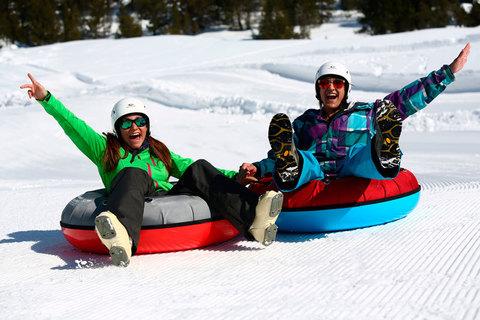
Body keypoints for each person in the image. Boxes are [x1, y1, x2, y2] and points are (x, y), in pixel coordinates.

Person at [20, 74, 284, 267]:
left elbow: (192, 169)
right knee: (134, 173)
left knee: (199, 166)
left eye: (140, 121)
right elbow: (74, 126)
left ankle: (255, 220)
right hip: (131, 195)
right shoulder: (105, 149)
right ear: (117, 128)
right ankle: (122, 237)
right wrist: (47, 99)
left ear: (147, 125)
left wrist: (236, 177)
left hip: (165, 197)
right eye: (127, 123)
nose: (134, 128)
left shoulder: (158, 151)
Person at [239, 43, 471, 191]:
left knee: (360, 156)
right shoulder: (305, 122)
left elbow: (405, 99)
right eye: (325, 83)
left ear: (346, 88)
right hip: (315, 172)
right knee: (303, 160)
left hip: (352, 168)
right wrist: (258, 169)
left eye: (337, 82)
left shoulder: (366, 112)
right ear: (318, 90)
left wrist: (447, 73)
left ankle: (384, 153)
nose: (331, 87)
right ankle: (292, 168)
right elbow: (276, 155)